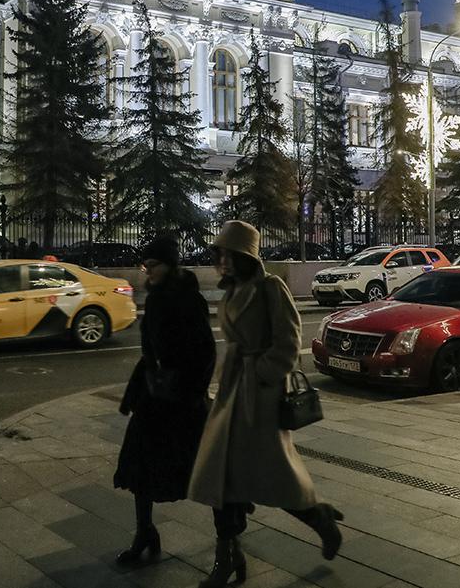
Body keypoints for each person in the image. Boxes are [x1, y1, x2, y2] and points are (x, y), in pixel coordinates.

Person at [188, 220, 343, 587]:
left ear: (247, 256)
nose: (223, 260)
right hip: (231, 396)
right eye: (219, 254)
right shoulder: (231, 291)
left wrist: (259, 375)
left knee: (272, 476)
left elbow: (289, 344)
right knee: (220, 478)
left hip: (259, 398)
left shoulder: (269, 288)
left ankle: (320, 519)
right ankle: (228, 558)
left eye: (230, 253)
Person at [113, 236, 216, 566]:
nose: (147, 271)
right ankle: (144, 532)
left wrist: (191, 391)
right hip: (155, 396)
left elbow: (206, 353)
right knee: (140, 467)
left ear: (170, 265)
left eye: (152, 265)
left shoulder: (189, 299)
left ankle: (229, 544)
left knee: (206, 472)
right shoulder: (156, 297)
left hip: (184, 400)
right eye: (145, 266)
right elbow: (149, 345)